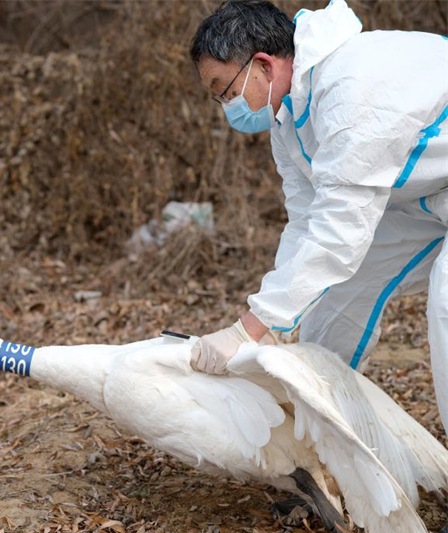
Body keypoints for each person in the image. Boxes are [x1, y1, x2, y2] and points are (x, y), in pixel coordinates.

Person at [188, 0, 448, 431]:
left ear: (263, 65)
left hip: (429, 190)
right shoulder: (287, 119)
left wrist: (250, 327)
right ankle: (327, 434)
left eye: (227, 91)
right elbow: (307, 221)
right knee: (334, 299)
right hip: (429, 194)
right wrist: (276, 314)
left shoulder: (351, 88)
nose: (227, 107)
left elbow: (339, 231)